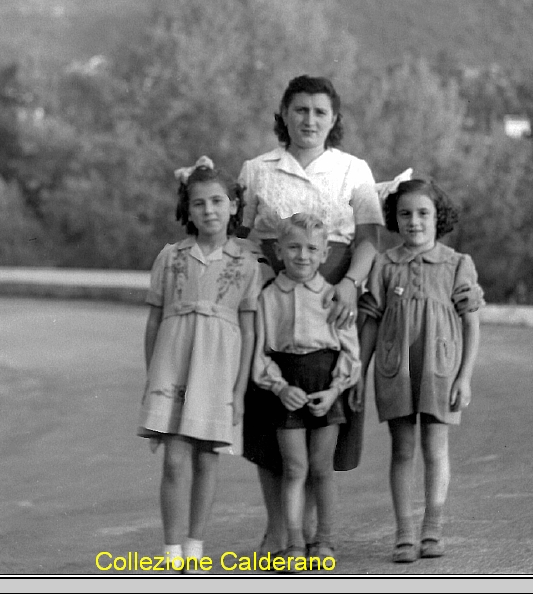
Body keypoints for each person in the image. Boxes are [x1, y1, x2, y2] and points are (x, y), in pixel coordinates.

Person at [238, 74, 383, 555]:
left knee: (327, 410)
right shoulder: (257, 169)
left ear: (334, 120)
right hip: (272, 298)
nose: (309, 120)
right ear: (283, 113)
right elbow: (241, 237)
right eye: (300, 110)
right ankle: (279, 527)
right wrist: (257, 284)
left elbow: (368, 241)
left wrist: (349, 284)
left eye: (320, 112)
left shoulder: (352, 169)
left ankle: (317, 531)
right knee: (270, 409)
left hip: (334, 294)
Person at [138, 157, 261, 571]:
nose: (209, 210)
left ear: (233, 206)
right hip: (173, 364)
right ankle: (171, 553)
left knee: (207, 457)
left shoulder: (246, 262)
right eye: (198, 203)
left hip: (219, 368)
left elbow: (249, 329)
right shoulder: (170, 256)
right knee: (175, 458)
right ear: (187, 210)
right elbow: (154, 320)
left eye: (217, 201)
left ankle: (195, 546)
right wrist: (151, 374)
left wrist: (239, 391)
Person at [355, 176, 483, 563]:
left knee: (434, 447)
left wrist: (464, 376)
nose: (414, 221)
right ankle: (404, 531)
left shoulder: (456, 264)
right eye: (405, 214)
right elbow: (371, 322)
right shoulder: (383, 263)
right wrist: (358, 375)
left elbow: (471, 323)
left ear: (437, 217)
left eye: (423, 213)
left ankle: (433, 525)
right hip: (396, 370)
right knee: (402, 449)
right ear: (394, 218)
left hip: (439, 369)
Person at [252, 213, 360, 569]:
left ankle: (324, 540)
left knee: (321, 467)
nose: (302, 255)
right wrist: (280, 388)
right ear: (279, 251)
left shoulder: (333, 296)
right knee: (295, 467)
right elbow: (262, 354)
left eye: (312, 248)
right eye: (294, 247)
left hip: (326, 387)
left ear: (325, 253)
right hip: (288, 388)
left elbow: (350, 352)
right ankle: (295, 542)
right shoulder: (269, 298)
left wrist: (335, 391)